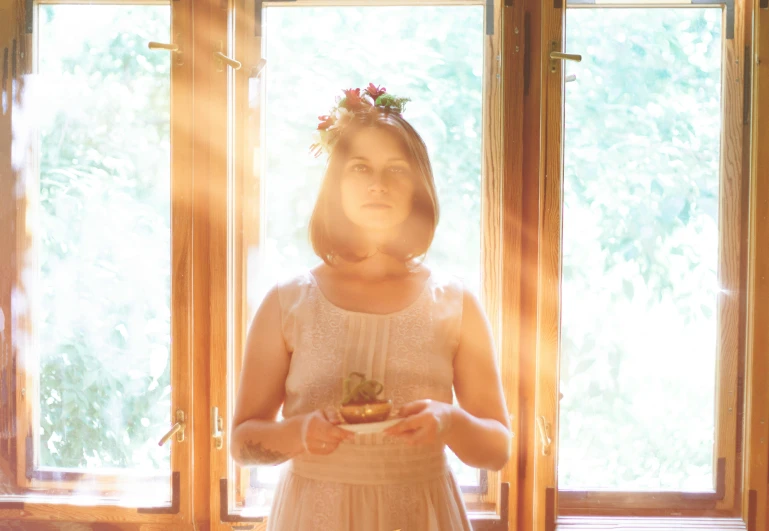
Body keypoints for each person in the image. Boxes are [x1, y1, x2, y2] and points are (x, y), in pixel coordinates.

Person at [230, 83, 512, 530]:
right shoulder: (287, 302)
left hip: (422, 512)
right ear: (336, 185)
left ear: (418, 187)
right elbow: (243, 443)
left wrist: (450, 422)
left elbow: (497, 451)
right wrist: (299, 433)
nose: (378, 185)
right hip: (312, 515)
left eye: (396, 170)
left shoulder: (456, 304)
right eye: (360, 168)